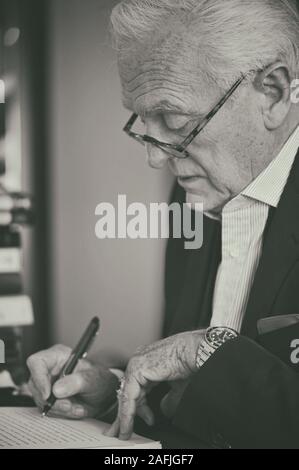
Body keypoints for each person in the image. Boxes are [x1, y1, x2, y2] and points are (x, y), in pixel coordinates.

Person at [27, 0, 299, 449]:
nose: (155, 157)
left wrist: (208, 351)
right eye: (142, 120)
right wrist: (117, 390)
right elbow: (192, 390)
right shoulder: (194, 193)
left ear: (272, 90)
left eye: (176, 122)